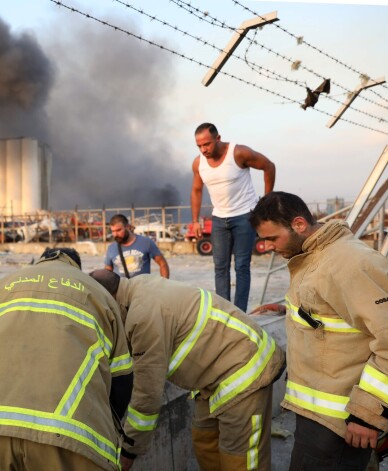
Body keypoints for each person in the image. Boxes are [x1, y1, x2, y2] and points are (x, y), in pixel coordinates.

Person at [0, 248, 134, 471]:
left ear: (43, 259)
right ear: (76, 266)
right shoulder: (97, 293)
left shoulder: (1, 286)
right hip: (70, 440)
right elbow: (121, 381)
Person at [90, 269, 285, 471]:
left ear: (107, 300)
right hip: (213, 376)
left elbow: (147, 395)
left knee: (239, 458)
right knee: (204, 439)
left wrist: (129, 450)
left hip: (245, 368)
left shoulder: (143, 316)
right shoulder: (137, 285)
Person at [250, 191, 388, 471]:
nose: (267, 247)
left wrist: (367, 414)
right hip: (320, 415)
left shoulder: (348, 263)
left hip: (341, 421)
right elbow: (335, 312)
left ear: (299, 224)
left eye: (272, 238)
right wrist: (290, 310)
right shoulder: (315, 255)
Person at [191, 122, 275, 312]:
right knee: (220, 267)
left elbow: (269, 166)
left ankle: (239, 313)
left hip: (245, 216)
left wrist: (266, 202)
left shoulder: (239, 153)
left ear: (218, 138)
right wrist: (195, 220)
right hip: (219, 219)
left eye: (207, 144)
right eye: (199, 146)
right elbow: (196, 190)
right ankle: (224, 312)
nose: (204, 149)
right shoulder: (199, 163)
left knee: (241, 266)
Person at [104, 214, 169, 279]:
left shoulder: (146, 242)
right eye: (113, 231)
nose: (115, 234)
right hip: (121, 288)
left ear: (127, 227)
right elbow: (108, 270)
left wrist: (164, 284)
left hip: (142, 287)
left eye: (118, 230)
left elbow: (162, 263)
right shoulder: (111, 248)